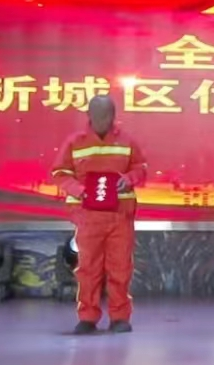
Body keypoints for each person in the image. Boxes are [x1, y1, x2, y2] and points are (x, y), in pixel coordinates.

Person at [51, 95, 146, 335]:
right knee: (88, 269)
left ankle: (120, 317)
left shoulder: (127, 141)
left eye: (107, 115)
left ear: (114, 116)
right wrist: (80, 190)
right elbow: (60, 173)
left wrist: (128, 179)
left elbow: (140, 168)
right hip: (88, 215)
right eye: (98, 115)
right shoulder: (75, 142)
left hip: (119, 215)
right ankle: (88, 317)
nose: (103, 120)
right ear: (89, 115)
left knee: (120, 268)